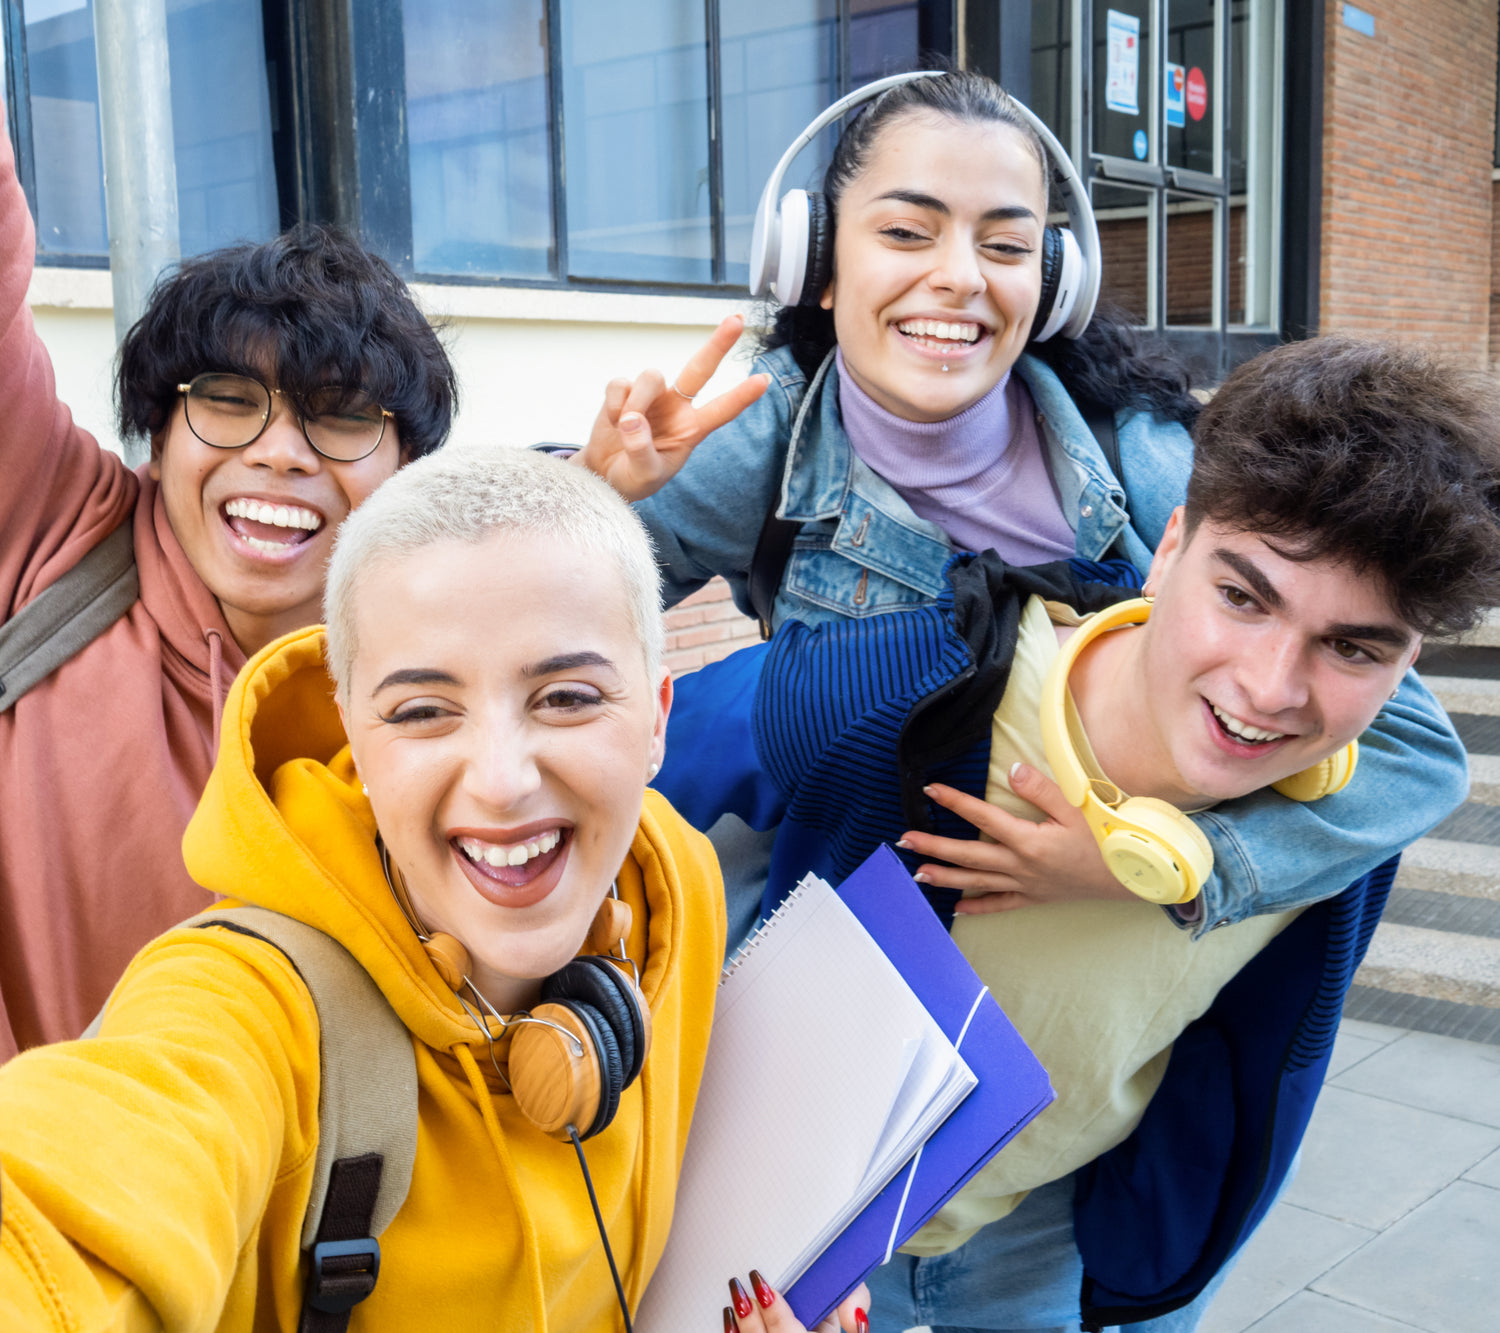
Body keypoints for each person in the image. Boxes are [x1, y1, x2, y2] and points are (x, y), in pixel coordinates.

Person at [653, 335, 1500, 1332]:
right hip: (790, 1236)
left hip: (1060, 1242)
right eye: (1242, 595)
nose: (1268, 690)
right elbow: (616, 772)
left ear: (1407, 668)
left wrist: (1172, 874)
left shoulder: (1342, 815)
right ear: (1170, 543)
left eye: (1352, 647)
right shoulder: (893, 691)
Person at [572, 68, 1468, 960]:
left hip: (1093, 960)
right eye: (904, 231)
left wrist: (1164, 867)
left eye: (1004, 247)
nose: (960, 277)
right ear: (819, 264)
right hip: (869, 940)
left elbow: (1417, 751)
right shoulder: (753, 444)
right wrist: (595, 492)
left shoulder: (1137, 451)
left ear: (1050, 282)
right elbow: (506, 645)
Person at [0, 447, 868, 1333]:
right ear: (354, 733)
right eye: (421, 711)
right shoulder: (250, 1006)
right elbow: (74, 1192)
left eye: (566, 697)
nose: (499, 779)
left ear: (657, 720)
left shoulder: (672, 875)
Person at [0, 110, 456, 1059]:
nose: (279, 453)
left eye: (339, 417)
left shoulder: (437, 690)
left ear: (403, 464)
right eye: (227, 400)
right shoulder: (55, 532)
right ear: (158, 435)